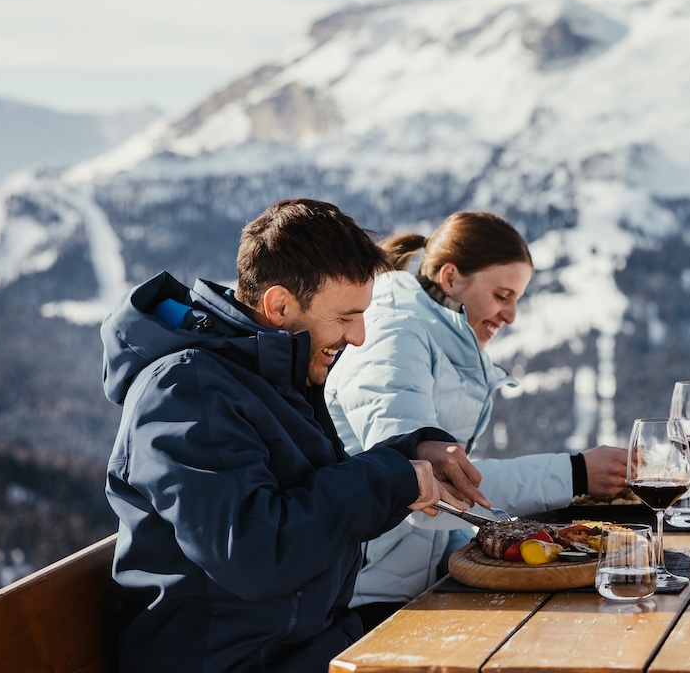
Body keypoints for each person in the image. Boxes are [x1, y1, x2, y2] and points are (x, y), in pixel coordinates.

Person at [102, 198, 490, 673]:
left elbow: (308, 496)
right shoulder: (187, 392)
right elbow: (253, 553)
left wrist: (412, 452)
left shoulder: (271, 375)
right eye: (346, 317)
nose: (359, 337)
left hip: (299, 645)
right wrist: (391, 479)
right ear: (279, 304)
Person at [325, 210, 628, 630]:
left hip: (413, 579)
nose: (511, 315)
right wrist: (575, 473)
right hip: (361, 596)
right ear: (450, 279)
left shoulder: (436, 337)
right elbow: (421, 491)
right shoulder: (393, 339)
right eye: (503, 295)